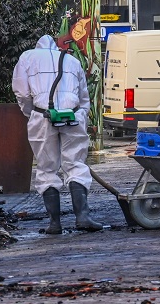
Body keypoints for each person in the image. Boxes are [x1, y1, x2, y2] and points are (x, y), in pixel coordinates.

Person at [12, 34, 101, 234]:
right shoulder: (72, 60)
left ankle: (54, 223)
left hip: (42, 117)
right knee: (76, 164)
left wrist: (32, 113)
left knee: (46, 167)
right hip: (72, 116)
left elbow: (22, 92)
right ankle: (83, 216)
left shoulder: (27, 58)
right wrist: (80, 115)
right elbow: (83, 96)